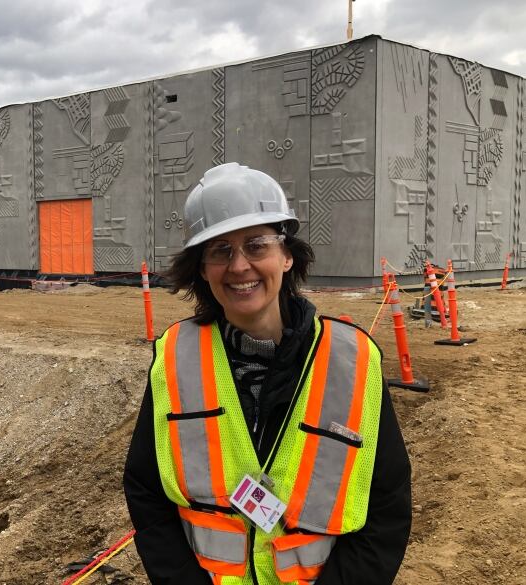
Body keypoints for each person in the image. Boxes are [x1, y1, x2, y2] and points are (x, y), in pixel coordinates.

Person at [124, 163, 411, 584]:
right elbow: (146, 490)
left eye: (256, 245)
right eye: (220, 251)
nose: (239, 266)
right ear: (202, 268)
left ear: (286, 253)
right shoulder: (175, 358)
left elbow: (386, 506)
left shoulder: (352, 361)